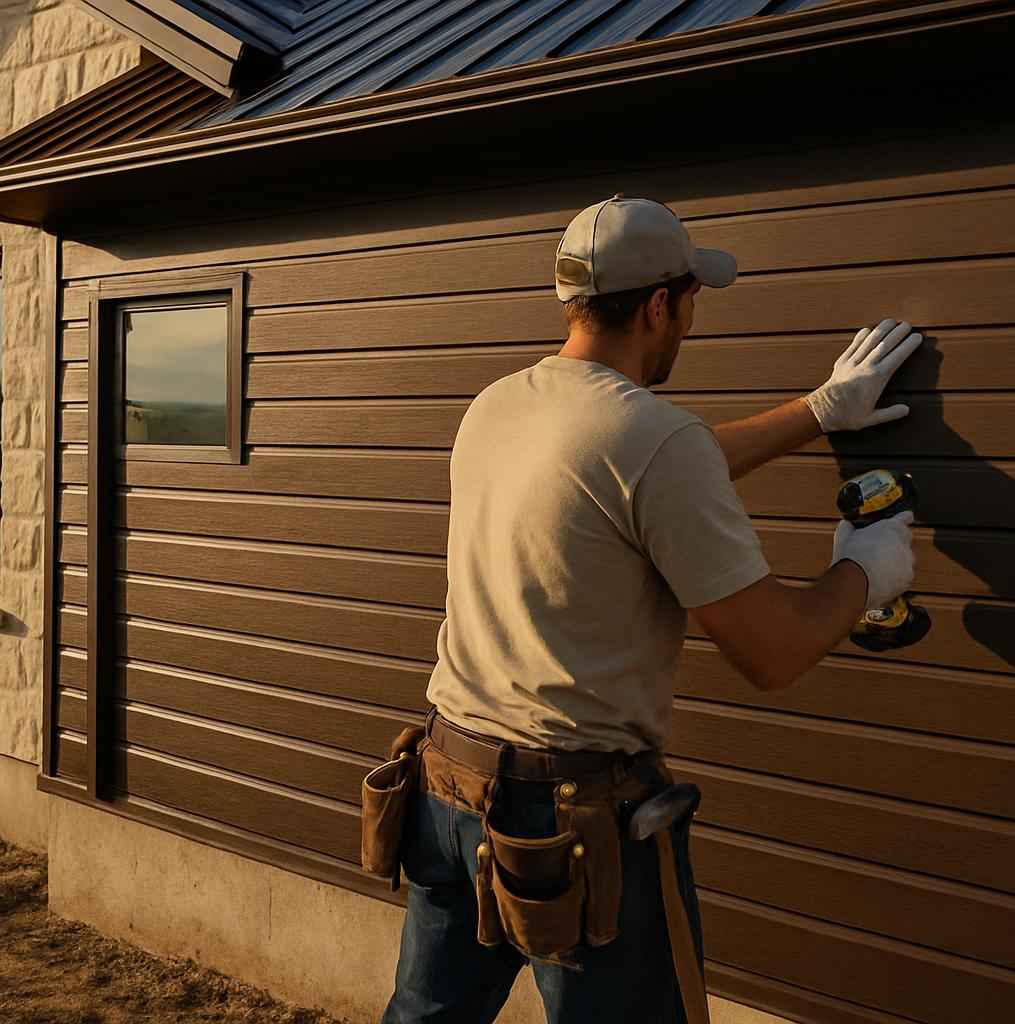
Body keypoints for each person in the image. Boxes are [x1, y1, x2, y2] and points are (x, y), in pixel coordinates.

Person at [380, 195, 921, 1024]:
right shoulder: (651, 439)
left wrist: (820, 412)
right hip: (571, 821)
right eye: (692, 302)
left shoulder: (498, 405)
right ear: (660, 306)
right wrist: (863, 573)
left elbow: (635, 477)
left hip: (448, 783)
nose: (690, 323)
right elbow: (772, 653)